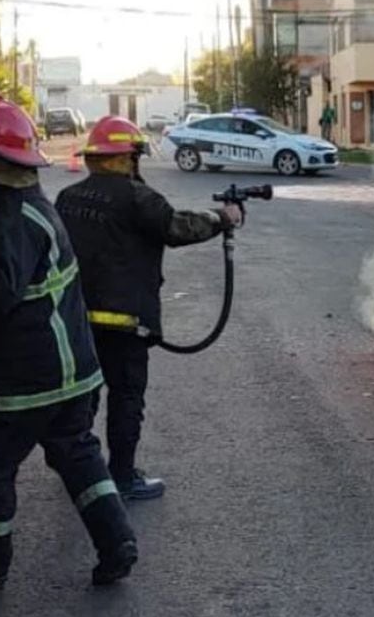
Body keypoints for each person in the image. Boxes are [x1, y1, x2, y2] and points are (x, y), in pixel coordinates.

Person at [0, 96, 137, 589]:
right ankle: (117, 540)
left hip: (23, 381)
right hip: (72, 375)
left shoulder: (5, 220)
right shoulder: (15, 201)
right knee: (79, 457)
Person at [56, 116, 241, 501]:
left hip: (76, 321)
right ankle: (122, 478)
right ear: (130, 157)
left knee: (83, 396)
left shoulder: (68, 198)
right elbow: (176, 227)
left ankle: (81, 473)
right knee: (125, 398)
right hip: (125, 322)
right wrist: (224, 218)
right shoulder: (138, 198)